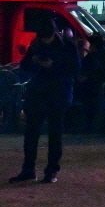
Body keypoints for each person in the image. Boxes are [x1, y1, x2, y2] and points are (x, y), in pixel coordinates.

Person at [9, 16, 80, 183]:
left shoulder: (68, 46)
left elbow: (75, 69)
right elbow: (25, 66)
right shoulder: (37, 44)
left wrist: (52, 66)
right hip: (39, 93)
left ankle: (51, 170)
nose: (45, 41)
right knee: (31, 133)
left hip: (57, 93)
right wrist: (35, 61)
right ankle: (29, 169)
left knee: (54, 133)